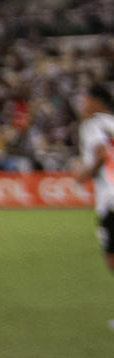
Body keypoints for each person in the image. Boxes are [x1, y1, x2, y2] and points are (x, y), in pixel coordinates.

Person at [76, 83, 114, 322]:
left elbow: (101, 154)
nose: (82, 104)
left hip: (111, 199)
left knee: (111, 254)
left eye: (85, 99)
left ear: (95, 101)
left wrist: (84, 175)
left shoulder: (92, 125)